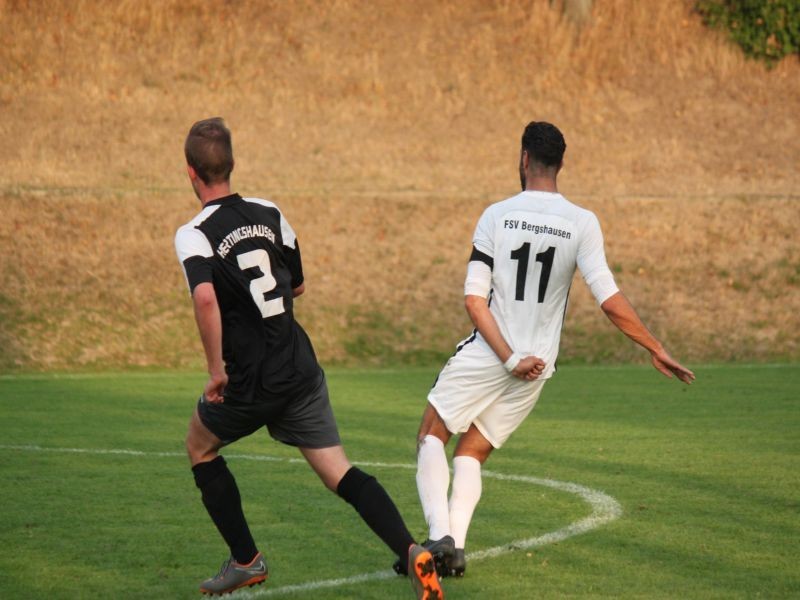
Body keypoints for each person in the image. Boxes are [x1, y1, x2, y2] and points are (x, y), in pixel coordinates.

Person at [409, 121, 695, 578]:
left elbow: (474, 301)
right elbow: (609, 298)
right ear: (561, 163)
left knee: (430, 434)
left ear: (524, 159)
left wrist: (507, 357)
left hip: (493, 354)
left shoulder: (496, 215)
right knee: (471, 453)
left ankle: (440, 537)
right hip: (537, 367)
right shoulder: (582, 222)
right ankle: (456, 550)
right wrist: (654, 346)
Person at [174, 117, 444, 599]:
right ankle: (410, 551)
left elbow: (205, 298)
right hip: (297, 369)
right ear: (231, 165)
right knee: (339, 472)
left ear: (191, 172)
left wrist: (216, 371)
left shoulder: (194, 234)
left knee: (200, 446)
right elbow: (297, 285)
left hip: (248, 381)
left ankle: (246, 561)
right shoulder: (269, 212)